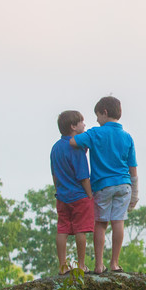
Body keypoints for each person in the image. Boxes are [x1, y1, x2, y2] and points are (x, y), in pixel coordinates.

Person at [70, 95, 139, 274]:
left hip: (102, 185)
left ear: (105, 112)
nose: (97, 119)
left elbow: (73, 141)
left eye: (98, 115)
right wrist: (135, 194)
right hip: (124, 185)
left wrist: (78, 131)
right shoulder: (127, 137)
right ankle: (115, 263)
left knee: (100, 224)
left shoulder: (95, 133)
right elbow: (133, 169)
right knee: (119, 222)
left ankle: (99, 265)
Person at [50, 110, 94, 275]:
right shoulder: (77, 147)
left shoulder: (55, 148)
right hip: (79, 196)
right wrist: (89, 195)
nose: (84, 124)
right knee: (80, 230)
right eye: (81, 122)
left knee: (62, 229)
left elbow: (54, 174)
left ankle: (62, 266)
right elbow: (83, 176)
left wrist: (59, 190)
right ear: (73, 126)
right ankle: (81, 265)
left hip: (62, 196)